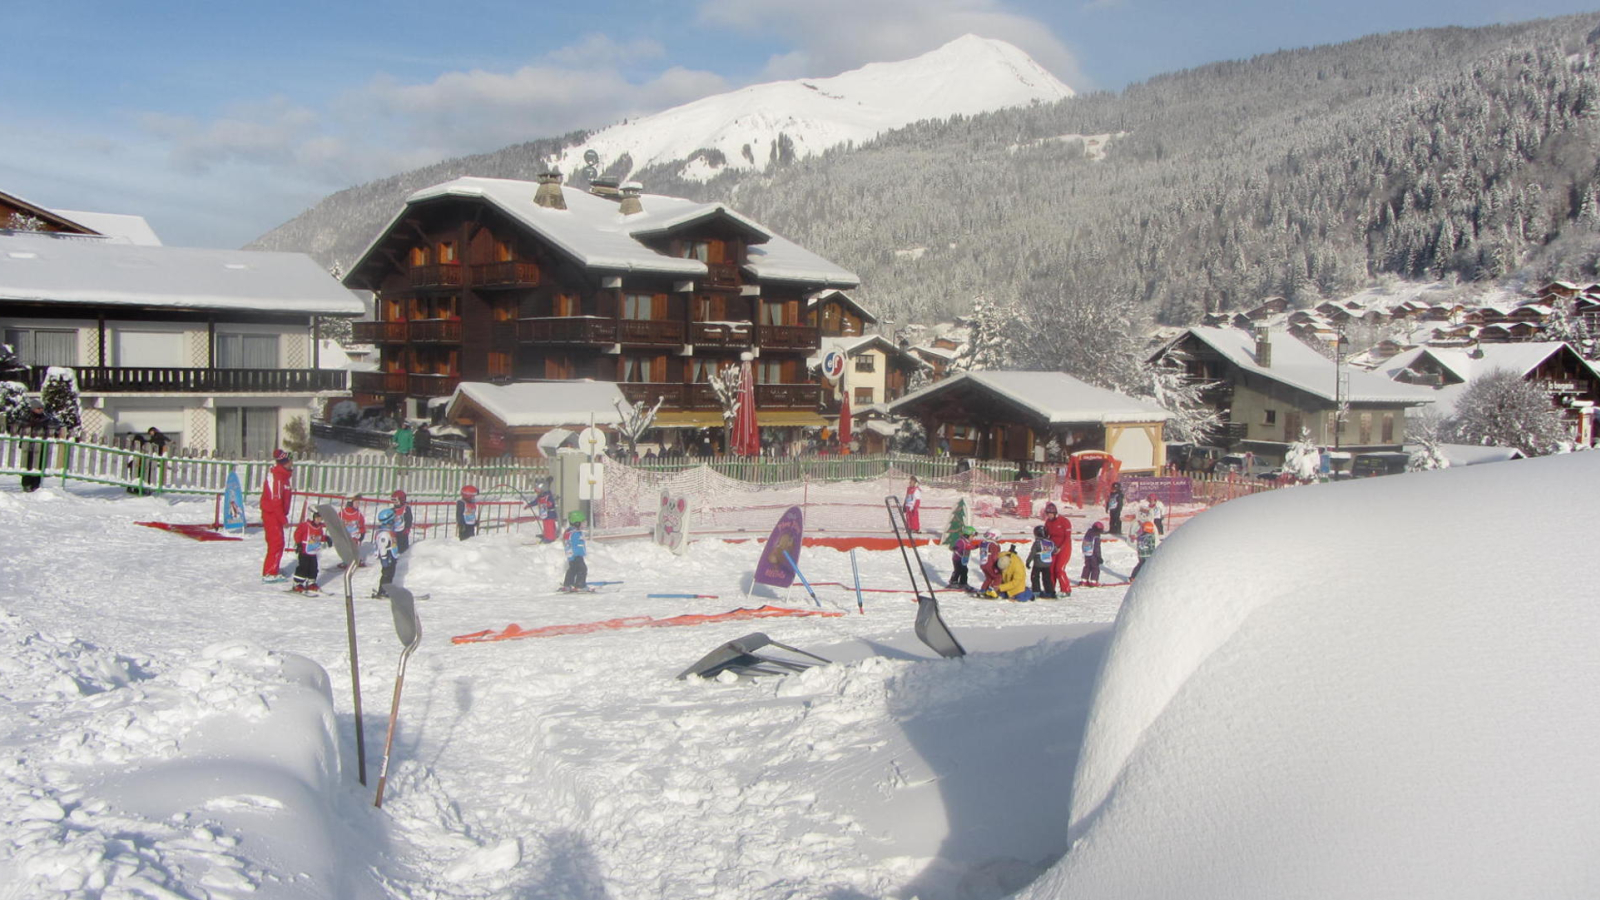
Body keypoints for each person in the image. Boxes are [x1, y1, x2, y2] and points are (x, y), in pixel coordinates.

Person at [260, 449, 294, 583]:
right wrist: (282, 519)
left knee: (278, 542)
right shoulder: (277, 478)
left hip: (276, 514)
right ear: (285, 462)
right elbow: (276, 501)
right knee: (276, 542)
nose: (292, 463)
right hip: (272, 514)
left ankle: (274, 568)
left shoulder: (283, 476)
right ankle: (269, 572)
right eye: (291, 460)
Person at [290, 509, 328, 594]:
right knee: (303, 567)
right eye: (317, 518)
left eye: (320, 518)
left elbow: (319, 536)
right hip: (304, 551)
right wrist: (299, 544)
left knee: (313, 567)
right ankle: (298, 583)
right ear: (312, 517)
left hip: (313, 551)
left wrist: (326, 538)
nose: (319, 520)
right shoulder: (305, 525)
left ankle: (311, 582)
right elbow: (297, 534)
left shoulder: (319, 527)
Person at [1041, 501, 1073, 598]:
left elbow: (1067, 537)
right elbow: (1047, 535)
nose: (1049, 516)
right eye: (1048, 514)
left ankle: (1066, 589)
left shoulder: (1064, 521)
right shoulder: (1048, 522)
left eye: (1051, 514)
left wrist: (1060, 548)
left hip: (1064, 548)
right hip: (1053, 548)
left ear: (1055, 513)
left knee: (1059, 569)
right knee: (1050, 569)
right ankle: (1051, 589)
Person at [372, 507, 400, 598]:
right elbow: (382, 547)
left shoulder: (389, 531)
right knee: (387, 574)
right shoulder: (384, 533)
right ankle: (383, 591)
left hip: (391, 555)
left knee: (391, 573)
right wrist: (384, 559)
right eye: (393, 519)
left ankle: (387, 589)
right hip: (387, 556)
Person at [560, 510, 589, 592]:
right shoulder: (575, 533)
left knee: (572, 569)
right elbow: (575, 544)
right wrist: (579, 553)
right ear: (577, 523)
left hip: (571, 555)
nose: (584, 525)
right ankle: (580, 585)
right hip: (576, 555)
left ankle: (568, 584)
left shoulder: (569, 532)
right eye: (582, 523)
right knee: (582, 569)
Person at [1026, 524, 1055, 598]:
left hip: (1038, 564)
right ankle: (1049, 591)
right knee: (1047, 578)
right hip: (1047, 563)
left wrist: (1028, 562)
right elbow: (1055, 550)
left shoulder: (1037, 542)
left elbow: (1032, 553)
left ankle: (1036, 591)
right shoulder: (1050, 542)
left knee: (1035, 577)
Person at [338, 497, 367, 567]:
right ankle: (346, 561)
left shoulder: (358, 514)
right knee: (346, 548)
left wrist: (362, 533)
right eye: (356, 503)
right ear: (350, 503)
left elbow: (362, 524)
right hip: (345, 535)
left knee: (354, 548)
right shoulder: (342, 513)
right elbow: (337, 523)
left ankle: (356, 560)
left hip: (354, 535)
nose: (358, 505)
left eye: (358, 503)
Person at [949, 525, 977, 590]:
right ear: (967, 535)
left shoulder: (967, 542)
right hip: (957, 559)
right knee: (958, 570)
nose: (973, 538)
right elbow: (957, 546)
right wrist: (955, 548)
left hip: (963, 559)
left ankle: (963, 582)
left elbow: (970, 547)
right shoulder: (961, 541)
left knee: (965, 570)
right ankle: (953, 582)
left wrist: (977, 546)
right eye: (972, 536)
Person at [1080, 521, 1105, 587]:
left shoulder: (1088, 533)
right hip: (1094, 554)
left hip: (1087, 553)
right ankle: (1094, 581)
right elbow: (1097, 548)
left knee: (1087, 566)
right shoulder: (1096, 536)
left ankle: (1084, 580)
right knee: (1095, 568)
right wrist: (1099, 557)